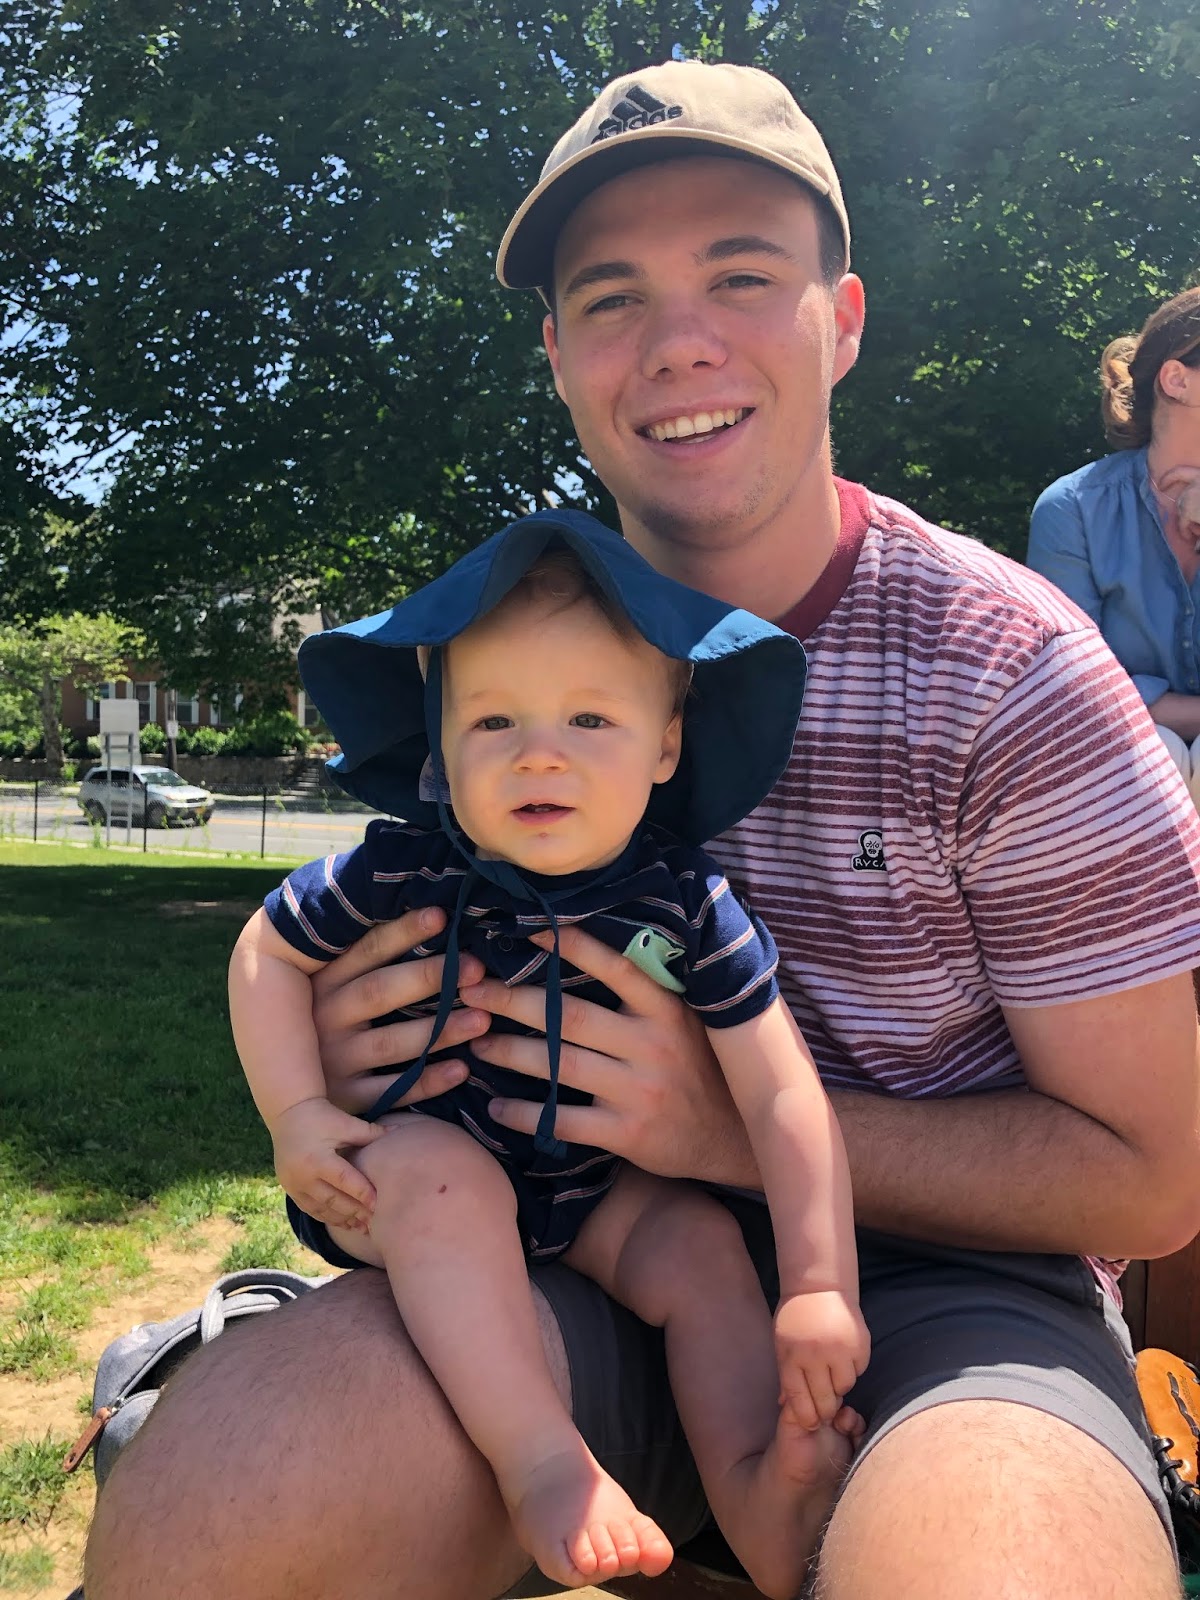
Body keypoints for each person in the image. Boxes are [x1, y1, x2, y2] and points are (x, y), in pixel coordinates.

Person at [85, 59, 1200, 1600]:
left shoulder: (1011, 675)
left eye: (741, 275)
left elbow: (1154, 1178)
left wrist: (712, 1130)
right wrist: (353, 1067)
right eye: (612, 298)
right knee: (220, 1514)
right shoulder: (495, 659)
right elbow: (319, 956)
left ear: (842, 320)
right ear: (557, 356)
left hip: (951, 1300)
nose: (680, 342)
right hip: (550, 1262)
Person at [228, 521, 867, 1594]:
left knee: (701, 1245)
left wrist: (818, 1286)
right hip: (421, 1182)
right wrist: (296, 1114)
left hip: (595, 1191)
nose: (539, 753)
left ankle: (759, 1495)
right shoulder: (402, 867)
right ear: (440, 746)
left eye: (590, 718)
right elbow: (266, 949)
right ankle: (542, 1465)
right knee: (444, 1181)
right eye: (493, 719)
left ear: (665, 745)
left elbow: (781, 1096)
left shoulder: (689, 903)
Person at [1028, 286, 1200, 806]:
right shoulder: (1072, 508)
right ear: (1176, 380)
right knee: (1149, 751)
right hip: (1119, 762)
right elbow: (1074, 687)